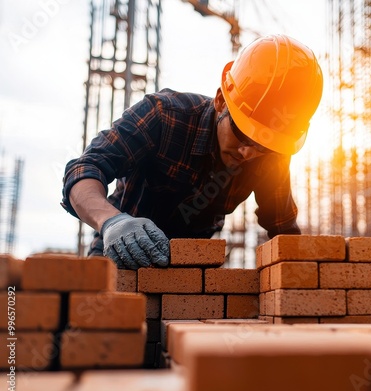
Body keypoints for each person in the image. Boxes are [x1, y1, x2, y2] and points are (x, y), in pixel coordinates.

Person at [61, 34, 323, 270]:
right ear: (221, 101)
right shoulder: (164, 116)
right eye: (243, 133)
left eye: (264, 146)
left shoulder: (273, 154)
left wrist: (305, 282)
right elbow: (85, 169)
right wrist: (111, 222)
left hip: (190, 278)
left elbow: (283, 229)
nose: (248, 152)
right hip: (119, 258)